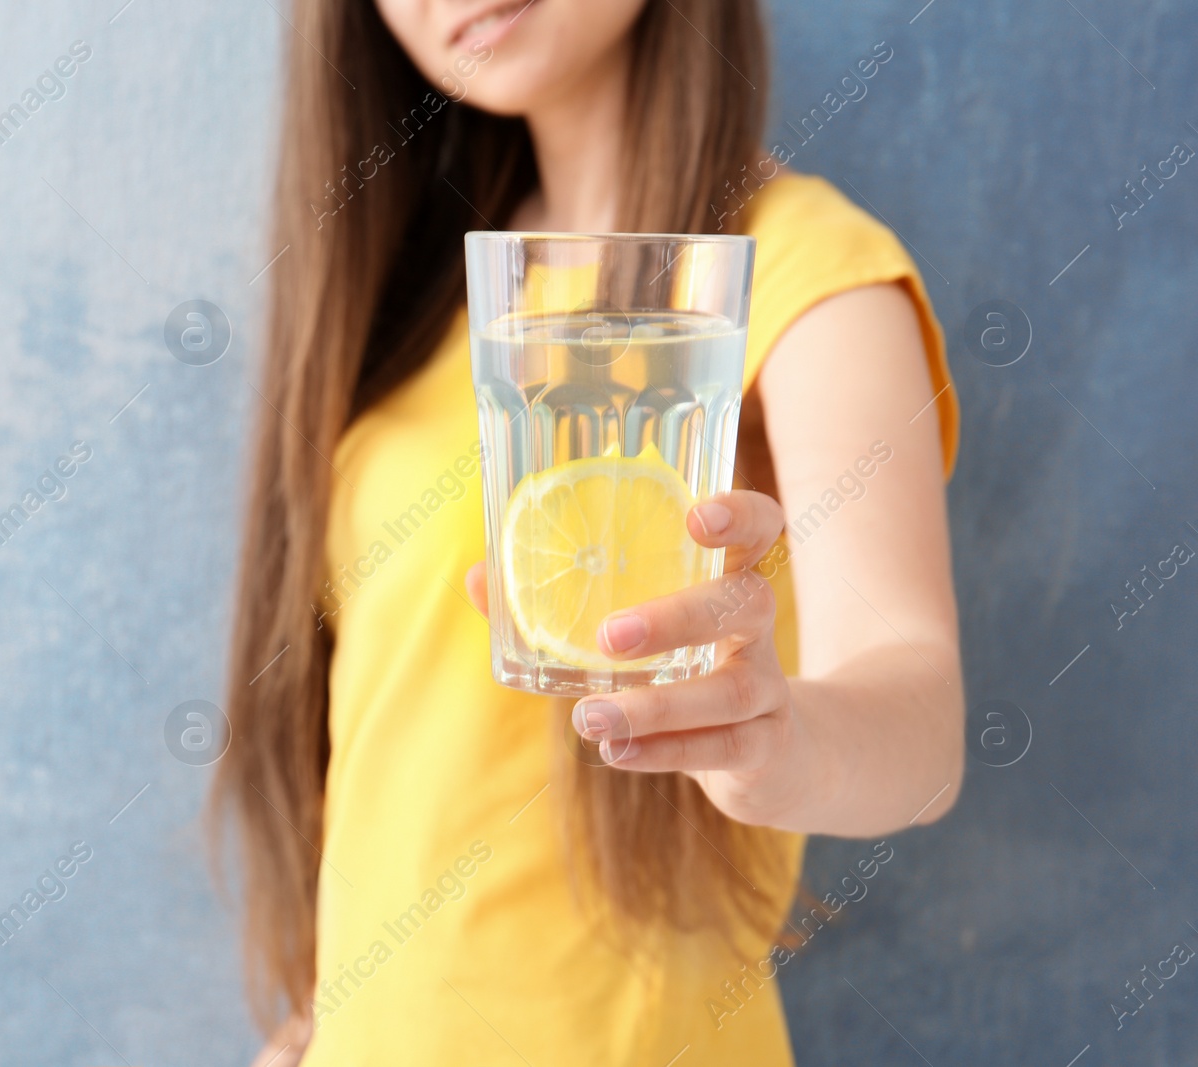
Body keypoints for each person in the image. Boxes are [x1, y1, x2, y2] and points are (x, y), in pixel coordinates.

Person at [213, 1, 965, 1063]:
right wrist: (328, 1017)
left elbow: (920, 716)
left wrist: (778, 742)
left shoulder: (797, 268)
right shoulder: (423, 281)